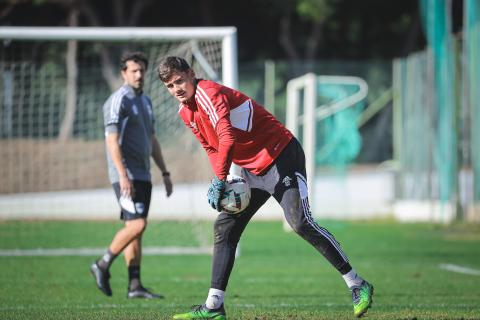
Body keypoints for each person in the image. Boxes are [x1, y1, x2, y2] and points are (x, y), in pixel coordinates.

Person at [157, 56, 374, 319]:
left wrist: (220, 179)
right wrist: (221, 179)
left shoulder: (208, 93)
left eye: (179, 80)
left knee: (300, 222)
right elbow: (211, 147)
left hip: (282, 155)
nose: (177, 88)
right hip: (253, 169)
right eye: (170, 85)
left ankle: (357, 283)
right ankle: (214, 306)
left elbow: (226, 138)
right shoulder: (185, 111)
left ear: (191, 74)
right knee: (225, 227)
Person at [90, 51, 173, 299]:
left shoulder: (145, 101)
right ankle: (102, 264)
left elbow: (152, 139)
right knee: (137, 224)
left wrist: (165, 172)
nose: (138, 75)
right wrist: (123, 175)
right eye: (133, 71)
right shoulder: (118, 100)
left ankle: (135, 286)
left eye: (141, 71)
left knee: (136, 229)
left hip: (143, 175)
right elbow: (111, 141)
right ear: (123, 73)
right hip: (125, 175)